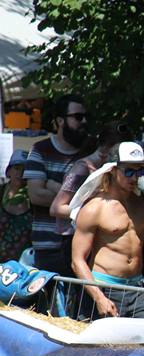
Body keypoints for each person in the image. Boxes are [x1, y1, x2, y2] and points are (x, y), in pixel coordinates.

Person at [70, 142, 144, 319]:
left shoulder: (142, 201)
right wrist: (99, 298)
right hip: (104, 288)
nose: (135, 177)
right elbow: (77, 260)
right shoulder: (94, 208)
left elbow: (140, 241)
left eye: (139, 171)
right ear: (113, 170)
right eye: (129, 171)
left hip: (137, 289)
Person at [25, 93, 90, 276]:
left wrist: (53, 186)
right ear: (60, 121)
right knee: (50, 302)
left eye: (86, 117)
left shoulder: (91, 151)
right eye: (78, 117)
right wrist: (80, 199)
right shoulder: (40, 149)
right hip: (48, 246)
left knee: (82, 304)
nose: (84, 121)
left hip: (85, 244)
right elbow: (36, 195)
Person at [51, 121, 133, 238]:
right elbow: (56, 208)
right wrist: (95, 214)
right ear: (106, 148)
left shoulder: (107, 168)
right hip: (72, 237)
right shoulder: (82, 169)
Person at [0, 150, 32, 263]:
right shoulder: (1, 191)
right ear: (8, 171)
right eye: (17, 168)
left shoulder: (34, 197)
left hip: (23, 265)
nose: (21, 173)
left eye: (26, 169)